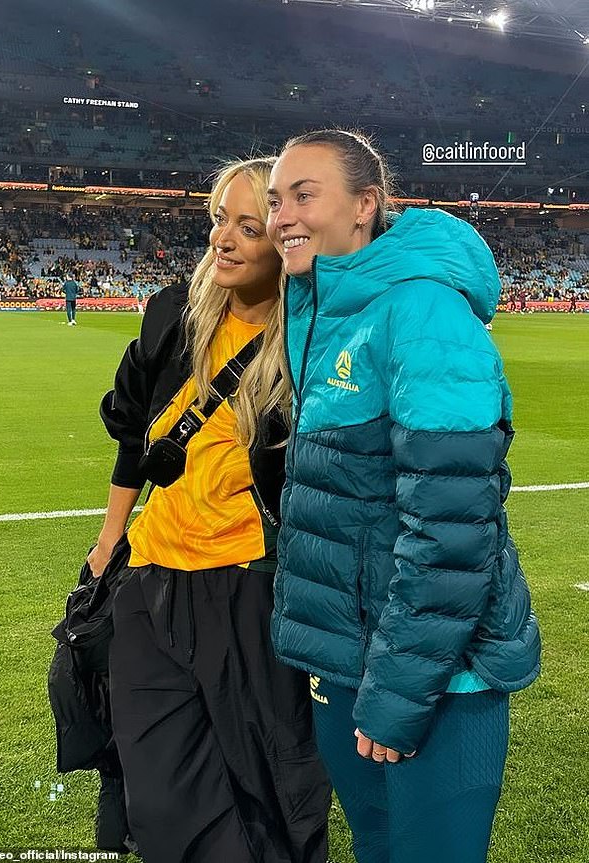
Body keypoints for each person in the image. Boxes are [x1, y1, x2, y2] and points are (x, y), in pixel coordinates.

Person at [265, 129, 541, 863]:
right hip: (353, 662)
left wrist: (397, 693)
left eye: (303, 194)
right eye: (273, 200)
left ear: (365, 206)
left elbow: (453, 526)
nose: (281, 215)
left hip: (436, 680)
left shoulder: (422, 310)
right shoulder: (324, 311)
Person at [90, 157, 330, 863]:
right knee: (159, 794)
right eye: (218, 219)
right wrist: (109, 542)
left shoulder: (308, 341)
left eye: (246, 227)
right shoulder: (173, 313)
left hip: (249, 587)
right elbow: (137, 432)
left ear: (284, 244)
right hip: (151, 581)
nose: (221, 238)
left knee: (268, 789)